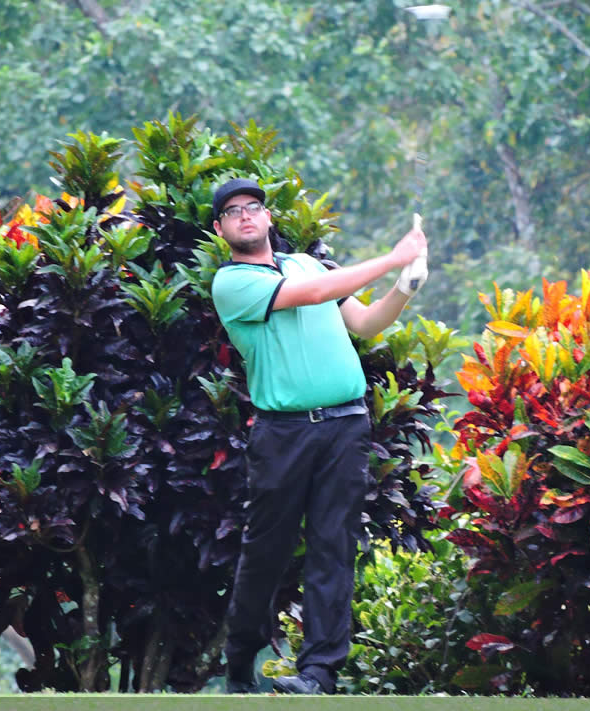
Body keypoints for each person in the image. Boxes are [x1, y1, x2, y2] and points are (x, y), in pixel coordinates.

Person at [210, 178, 428, 695]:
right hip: (282, 433)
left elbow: (366, 323)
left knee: (334, 548)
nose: (246, 215)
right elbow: (312, 295)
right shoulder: (232, 282)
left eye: (253, 207)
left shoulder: (309, 264)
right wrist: (393, 257)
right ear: (220, 229)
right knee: (267, 551)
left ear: (268, 218)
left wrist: (405, 286)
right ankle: (240, 659)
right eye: (233, 211)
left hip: (345, 427)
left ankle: (318, 675)